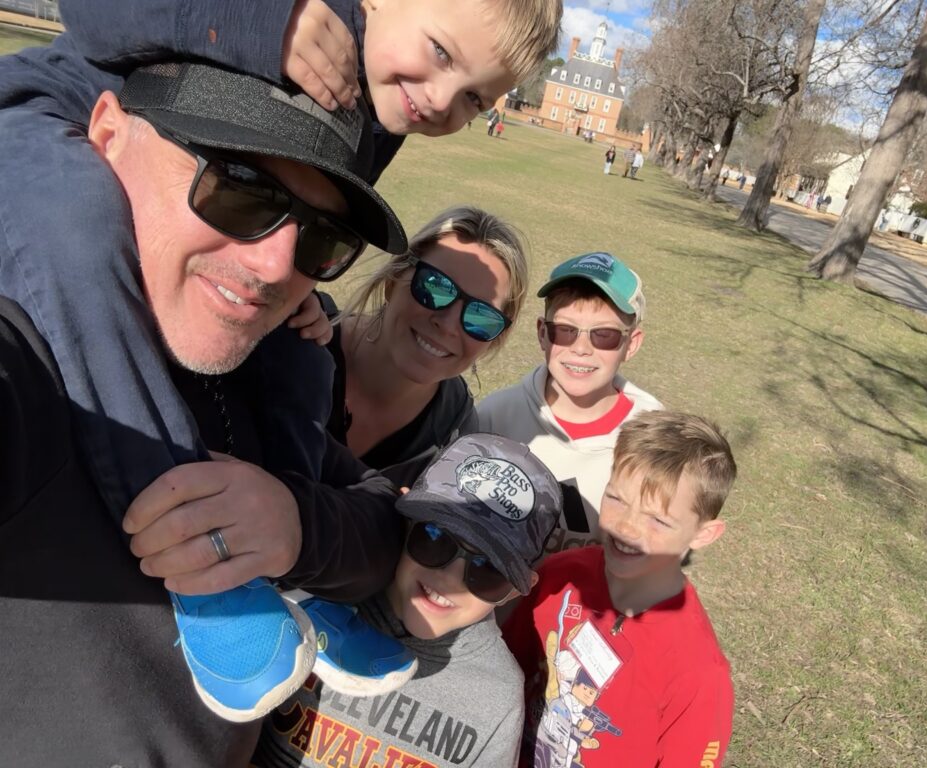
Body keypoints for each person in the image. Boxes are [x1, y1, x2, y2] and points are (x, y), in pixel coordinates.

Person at [0, 0, 561, 725]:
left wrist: (295, 531)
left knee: (303, 350)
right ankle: (202, 561)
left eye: (476, 99)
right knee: (79, 244)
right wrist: (266, 26)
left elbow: (377, 527)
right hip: (45, 124)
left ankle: (291, 592)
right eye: (441, 54)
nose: (445, 100)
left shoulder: (443, 416)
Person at [0, 59, 407, 766]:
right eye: (242, 188)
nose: (279, 263)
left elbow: (382, 522)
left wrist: (293, 526)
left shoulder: (261, 363)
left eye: (321, 237)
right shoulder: (31, 359)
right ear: (106, 134)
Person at [254, 433, 563, 767]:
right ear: (403, 518)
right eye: (434, 538)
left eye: (487, 570)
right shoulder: (315, 597)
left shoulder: (498, 695)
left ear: (517, 589)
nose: (449, 578)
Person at [502, 411, 737, 768]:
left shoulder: (700, 673)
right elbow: (503, 671)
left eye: (658, 519)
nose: (626, 527)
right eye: (616, 499)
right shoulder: (557, 576)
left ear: (703, 534)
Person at [324, 204, 529, 488]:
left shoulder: (455, 434)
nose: (447, 325)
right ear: (393, 281)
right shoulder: (299, 338)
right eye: (435, 286)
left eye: (480, 316)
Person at [478, 252, 662, 557]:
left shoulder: (653, 435)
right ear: (542, 333)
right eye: (564, 330)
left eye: (604, 335)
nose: (580, 349)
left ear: (631, 344)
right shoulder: (495, 417)